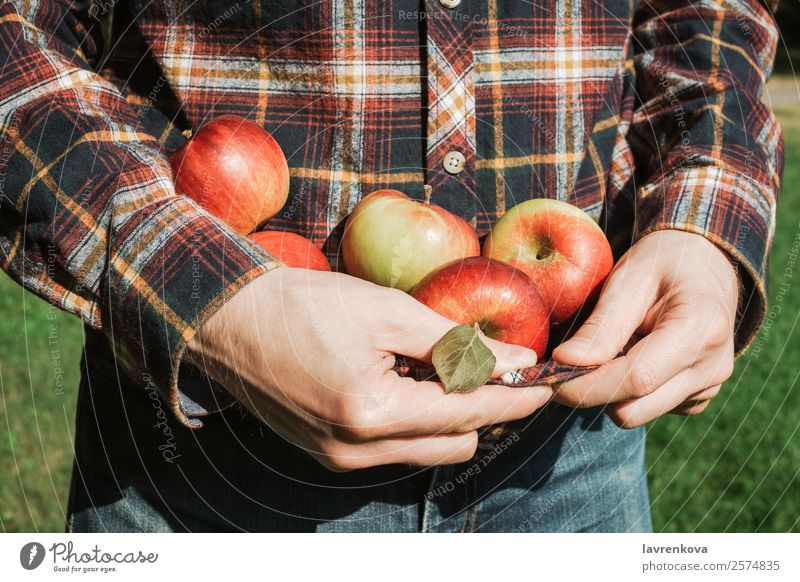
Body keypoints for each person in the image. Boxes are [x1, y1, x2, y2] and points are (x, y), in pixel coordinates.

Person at [0, 0, 781, 532]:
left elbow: (706, 16)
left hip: (570, 439)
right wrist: (201, 294)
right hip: (207, 450)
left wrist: (706, 220)